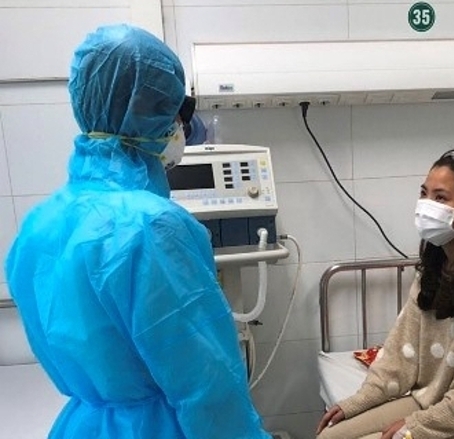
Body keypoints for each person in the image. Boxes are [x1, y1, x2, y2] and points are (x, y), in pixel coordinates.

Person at [4, 24, 270, 439]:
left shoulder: (40, 224)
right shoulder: (152, 228)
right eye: (176, 111)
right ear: (152, 114)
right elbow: (207, 382)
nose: (181, 127)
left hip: (82, 425)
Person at [316, 149, 454, 439]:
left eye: (441, 198)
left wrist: (417, 428)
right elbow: (399, 354)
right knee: (328, 437)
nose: (426, 206)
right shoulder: (436, 266)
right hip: (432, 399)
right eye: (424, 194)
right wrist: (358, 402)